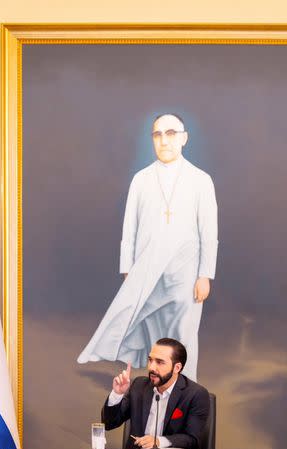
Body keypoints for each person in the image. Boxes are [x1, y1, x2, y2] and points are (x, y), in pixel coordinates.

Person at [77, 113, 218, 382]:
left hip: (185, 274)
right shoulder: (141, 179)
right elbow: (129, 228)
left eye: (171, 133)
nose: (164, 140)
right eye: (157, 135)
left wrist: (205, 275)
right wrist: (128, 269)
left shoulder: (201, 180)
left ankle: (184, 401)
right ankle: (157, 399)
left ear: (184, 138)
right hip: (147, 271)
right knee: (155, 339)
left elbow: (209, 233)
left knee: (184, 338)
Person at [102, 338, 211, 449]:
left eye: (159, 362)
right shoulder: (139, 386)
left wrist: (158, 441)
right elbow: (109, 424)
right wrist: (117, 393)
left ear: (177, 368)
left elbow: (192, 439)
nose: (151, 367)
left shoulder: (196, 394)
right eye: (150, 360)